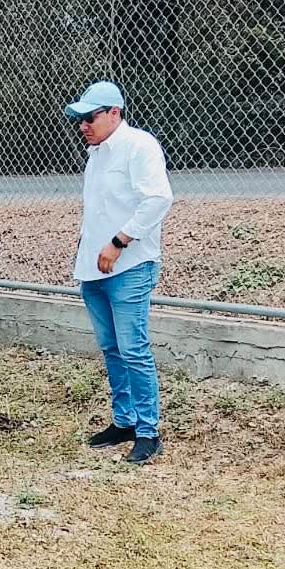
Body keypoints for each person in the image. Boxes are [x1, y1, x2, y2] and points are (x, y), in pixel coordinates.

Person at [65, 81, 174, 464]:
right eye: (79, 119)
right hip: (93, 269)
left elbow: (158, 199)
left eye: (90, 117)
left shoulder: (139, 146)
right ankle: (124, 421)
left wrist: (119, 241)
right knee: (112, 348)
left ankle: (148, 431)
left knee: (133, 349)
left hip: (129, 265)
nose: (83, 125)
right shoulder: (96, 154)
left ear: (115, 113)